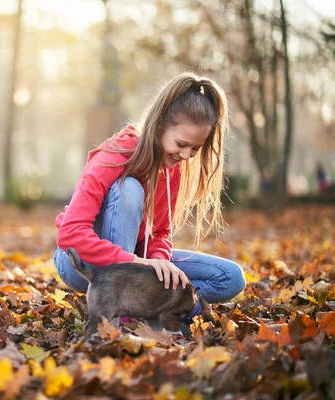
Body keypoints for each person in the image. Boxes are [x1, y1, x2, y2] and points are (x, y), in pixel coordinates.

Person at [54, 72, 246, 326]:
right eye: (181, 143)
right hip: (85, 266)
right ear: (161, 125)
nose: (187, 155)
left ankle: (147, 314)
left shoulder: (173, 167)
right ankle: (113, 323)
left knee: (230, 278)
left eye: (195, 149)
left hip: (137, 265)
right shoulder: (115, 156)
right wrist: (136, 262)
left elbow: (160, 232)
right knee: (130, 189)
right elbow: (70, 234)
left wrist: (157, 261)